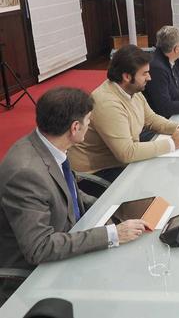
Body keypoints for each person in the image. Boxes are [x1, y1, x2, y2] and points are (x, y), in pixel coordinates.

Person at [0, 88, 147, 302]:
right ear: (75, 127)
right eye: (88, 121)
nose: (90, 125)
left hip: (71, 235)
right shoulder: (26, 173)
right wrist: (111, 235)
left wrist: (113, 210)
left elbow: (69, 193)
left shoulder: (48, 145)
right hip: (38, 275)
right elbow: (39, 248)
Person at [68, 45, 179, 185]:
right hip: (96, 172)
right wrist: (173, 143)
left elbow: (151, 119)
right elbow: (126, 153)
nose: (149, 77)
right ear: (126, 76)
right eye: (144, 73)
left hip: (119, 160)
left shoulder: (132, 90)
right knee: (157, 181)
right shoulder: (107, 102)